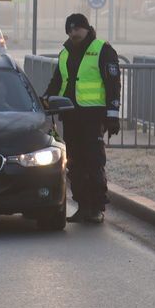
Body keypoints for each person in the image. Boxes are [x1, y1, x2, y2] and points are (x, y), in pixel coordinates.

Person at [44, 12, 121, 224]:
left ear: (86, 28)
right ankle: (82, 206)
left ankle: (96, 208)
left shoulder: (102, 50)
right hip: (71, 116)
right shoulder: (65, 53)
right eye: (69, 30)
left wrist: (113, 115)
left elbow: (113, 85)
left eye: (77, 28)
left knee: (93, 162)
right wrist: (45, 101)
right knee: (75, 164)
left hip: (93, 116)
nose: (73, 33)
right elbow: (57, 82)